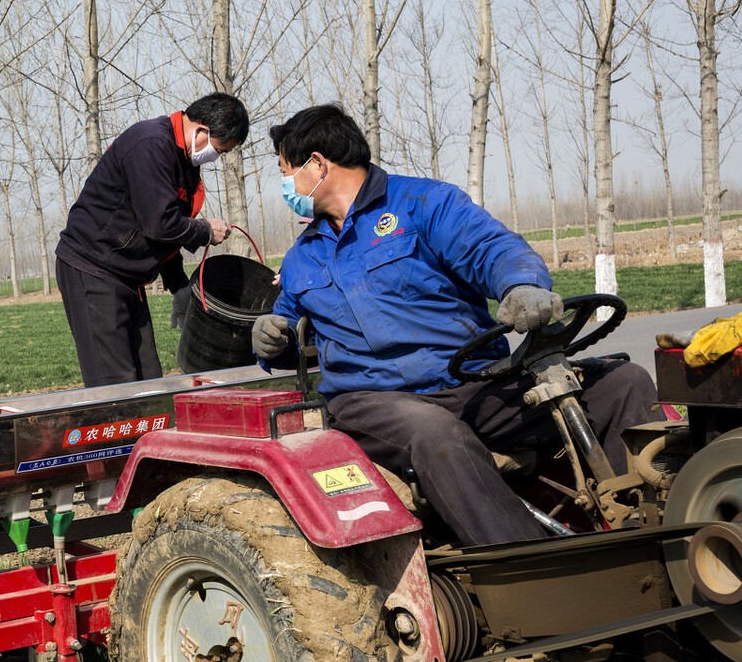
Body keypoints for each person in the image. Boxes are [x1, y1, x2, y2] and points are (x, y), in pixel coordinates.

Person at [252, 103, 657, 546]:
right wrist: (272, 340)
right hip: (373, 399)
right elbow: (289, 328)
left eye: (286, 171)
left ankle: (648, 530)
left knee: (624, 383)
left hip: (474, 381)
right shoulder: (301, 257)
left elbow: (489, 248)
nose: (287, 185)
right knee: (439, 436)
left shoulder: (424, 203)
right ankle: (531, 574)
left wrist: (519, 285)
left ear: (317, 164)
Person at [55, 92, 250, 387]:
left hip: (127, 276)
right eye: (220, 150)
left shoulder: (183, 161)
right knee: (115, 384)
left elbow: (163, 234)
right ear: (201, 131)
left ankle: (143, 432)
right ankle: (119, 433)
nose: (216, 157)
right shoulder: (150, 145)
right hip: (93, 269)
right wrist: (205, 230)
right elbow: (159, 224)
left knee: (148, 381)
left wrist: (179, 287)